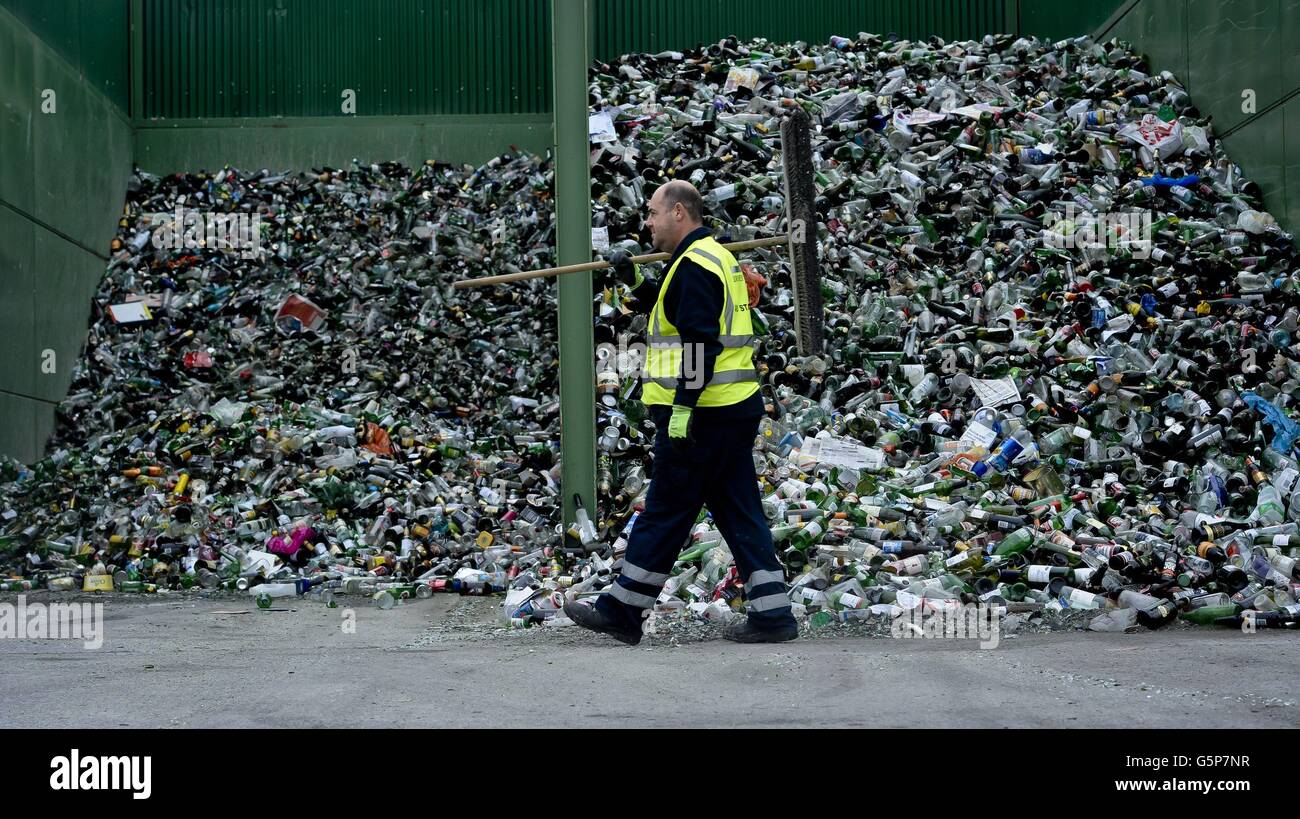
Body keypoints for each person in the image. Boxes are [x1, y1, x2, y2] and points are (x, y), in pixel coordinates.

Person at [563, 180, 798, 644]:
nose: (646, 221)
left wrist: (681, 410)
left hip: (702, 416)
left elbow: (698, 344)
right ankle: (773, 615)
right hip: (728, 411)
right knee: (738, 509)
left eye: (651, 212)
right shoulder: (708, 259)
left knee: (666, 510)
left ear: (678, 213)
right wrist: (631, 278)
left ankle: (623, 610)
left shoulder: (694, 266)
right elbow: (669, 314)